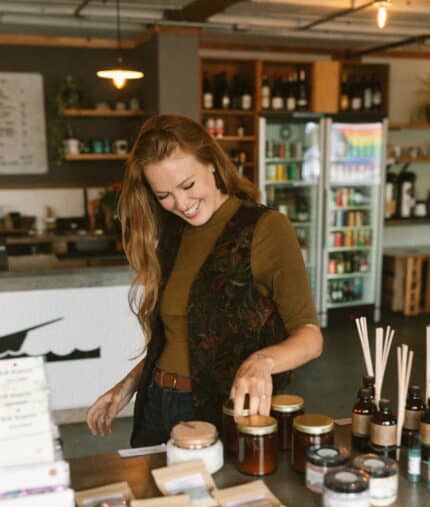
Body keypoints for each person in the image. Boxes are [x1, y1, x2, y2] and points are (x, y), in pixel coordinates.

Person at [87, 114, 322, 446]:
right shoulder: (173, 233)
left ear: (211, 163)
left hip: (219, 412)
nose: (181, 204)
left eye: (187, 185)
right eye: (164, 195)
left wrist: (262, 361)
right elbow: (177, 339)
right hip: (155, 404)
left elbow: (311, 337)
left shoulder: (264, 228)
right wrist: (126, 387)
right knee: (154, 497)